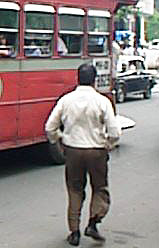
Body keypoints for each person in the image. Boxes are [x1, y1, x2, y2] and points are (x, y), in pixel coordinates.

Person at [45, 63, 121, 246]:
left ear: (77, 78)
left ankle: (74, 232)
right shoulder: (102, 101)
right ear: (94, 80)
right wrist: (108, 144)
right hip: (96, 151)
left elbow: (49, 127)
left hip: (73, 151)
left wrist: (60, 139)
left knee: (75, 190)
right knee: (100, 188)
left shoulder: (66, 100)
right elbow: (114, 132)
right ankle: (93, 222)